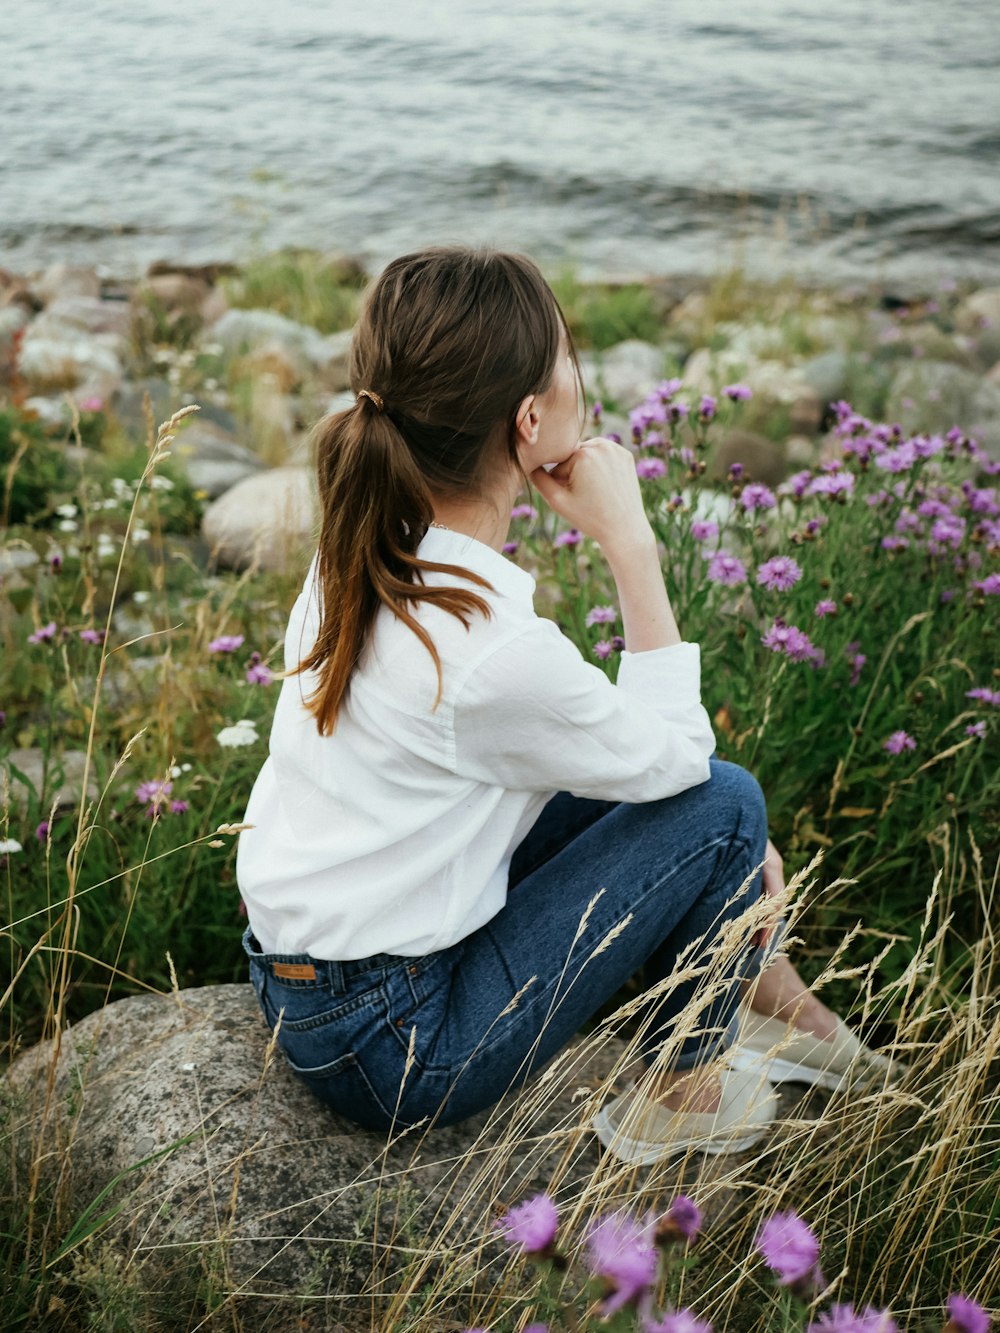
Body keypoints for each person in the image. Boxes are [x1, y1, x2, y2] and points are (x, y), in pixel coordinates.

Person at [235, 245, 886, 1163]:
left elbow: (623, 764)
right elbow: (684, 765)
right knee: (729, 806)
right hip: (397, 1047)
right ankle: (685, 1091)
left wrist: (705, 842)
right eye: (566, 364)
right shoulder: (487, 647)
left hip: (297, 982)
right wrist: (631, 544)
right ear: (531, 419)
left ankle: (770, 997)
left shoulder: (368, 544)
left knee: (704, 818)